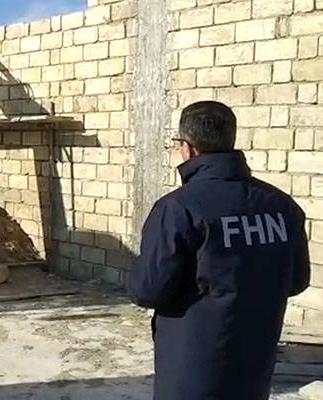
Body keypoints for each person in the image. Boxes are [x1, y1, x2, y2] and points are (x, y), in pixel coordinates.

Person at [128, 101, 311, 400]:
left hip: (192, 370)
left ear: (187, 148)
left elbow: (148, 290)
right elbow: (297, 280)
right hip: (255, 364)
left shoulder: (178, 208)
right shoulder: (281, 206)